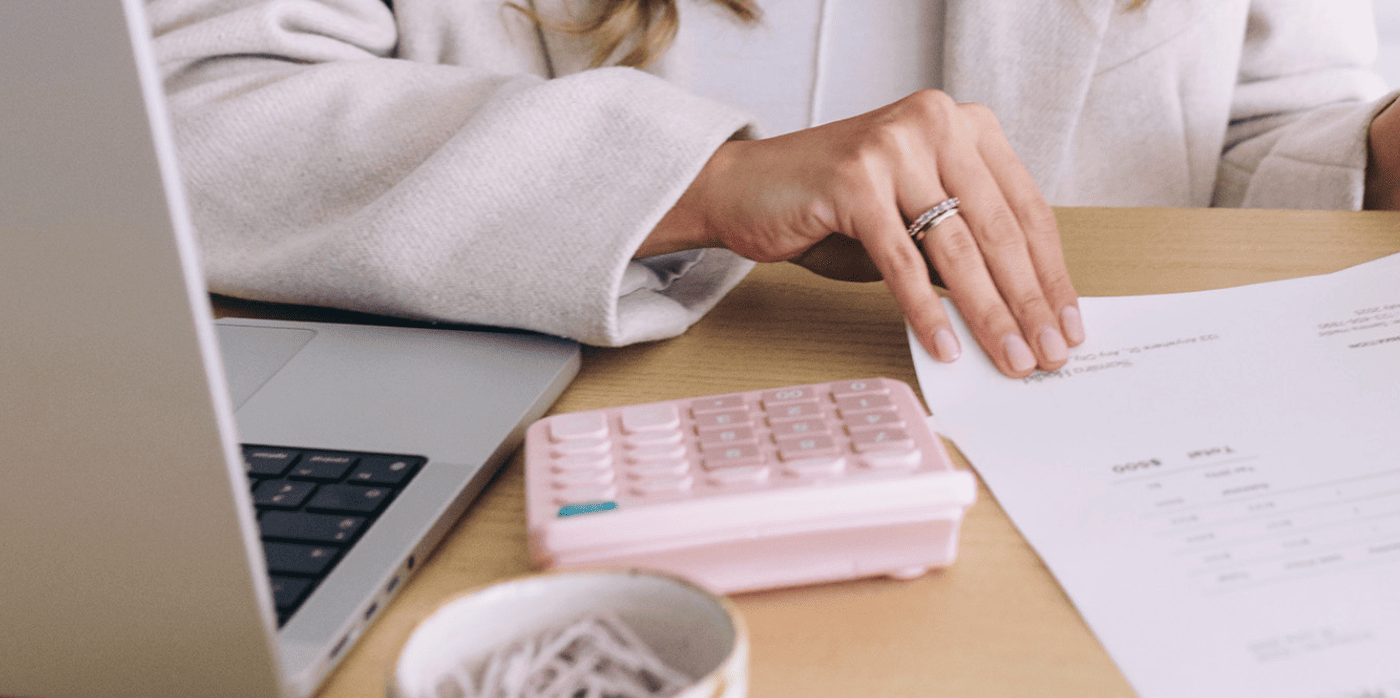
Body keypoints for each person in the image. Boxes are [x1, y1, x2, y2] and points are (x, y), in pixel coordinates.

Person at [148, 0, 1399, 378]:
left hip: (1067, 457)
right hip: (537, 464)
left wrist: (1380, 153)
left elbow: (1260, 134)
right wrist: (701, 180)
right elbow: (178, 99)